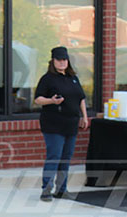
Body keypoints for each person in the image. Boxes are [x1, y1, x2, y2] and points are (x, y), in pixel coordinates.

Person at [33, 46, 89, 202]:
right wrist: (52, 100)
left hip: (71, 124)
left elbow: (81, 98)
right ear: (53, 61)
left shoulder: (73, 78)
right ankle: (46, 189)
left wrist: (84, 116)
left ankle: (61, 189)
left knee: (66, 157)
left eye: (64, 60)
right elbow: (38, 99)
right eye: (59, 60)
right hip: (53, 124)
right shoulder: (47, 79)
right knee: (54, 156)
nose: (62, 63)